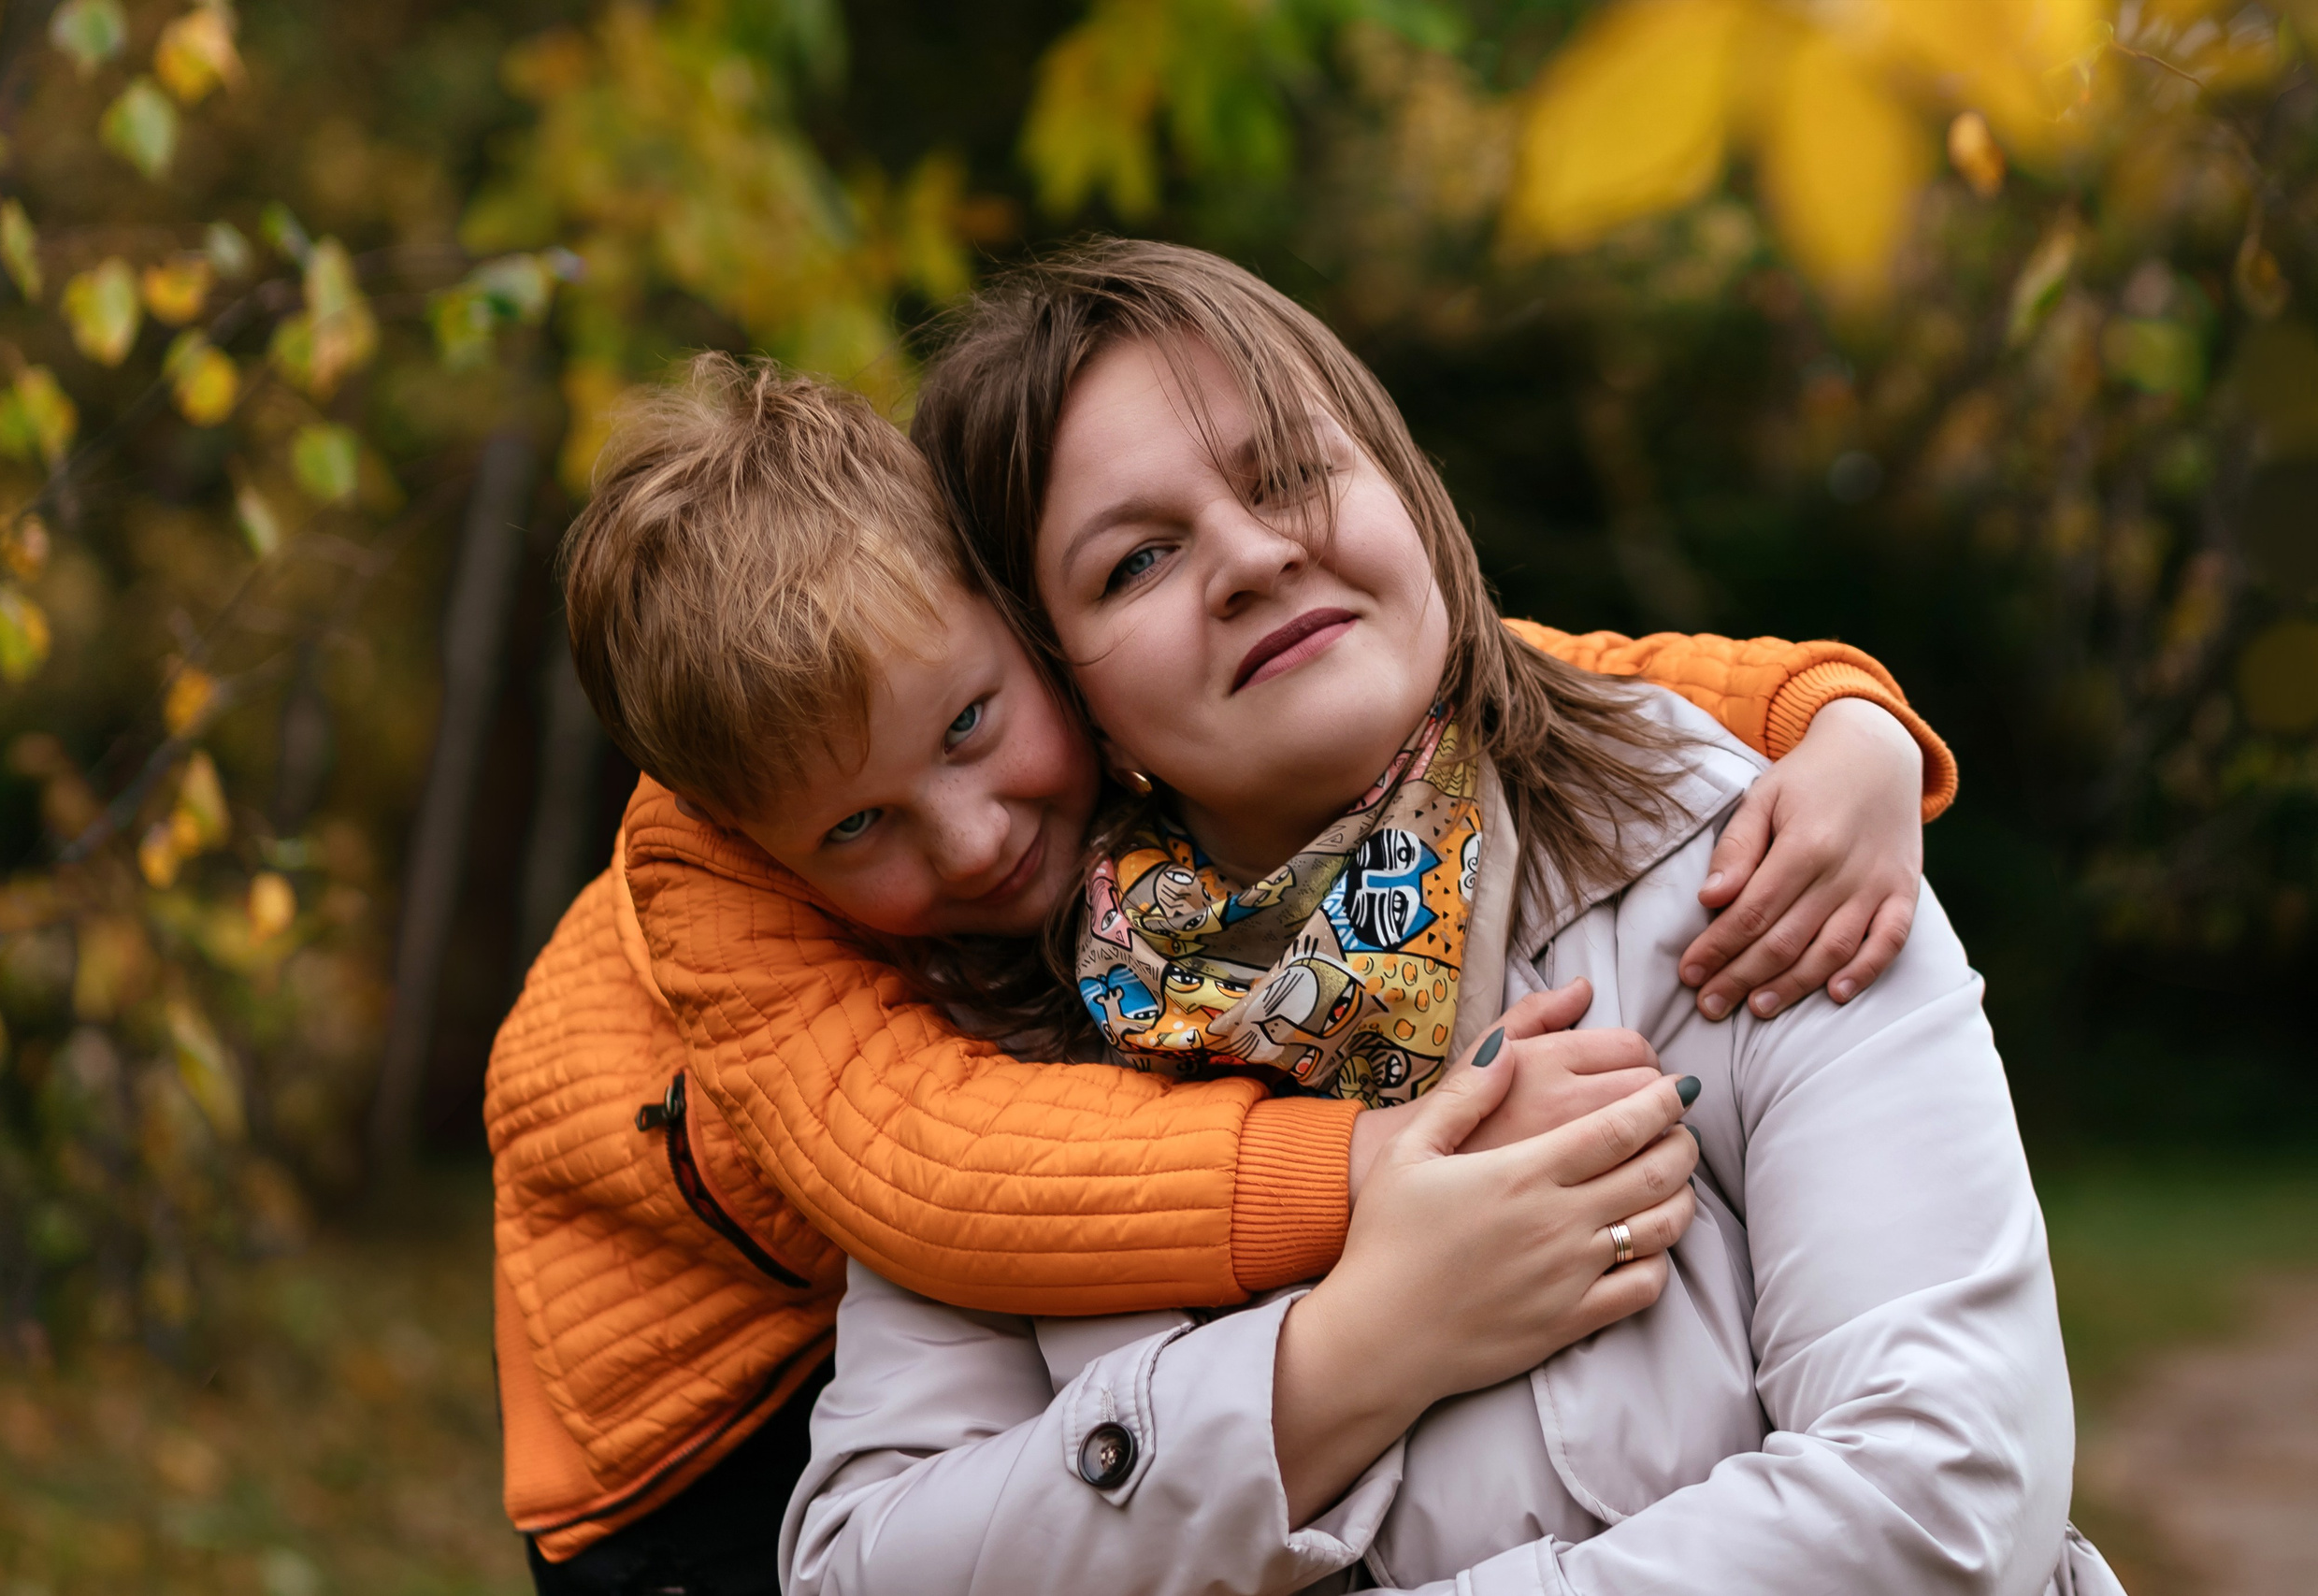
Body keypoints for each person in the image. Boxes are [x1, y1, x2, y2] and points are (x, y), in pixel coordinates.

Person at [782, 239, 2122, 1595]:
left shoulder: (1748, 860)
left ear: (1398, 484)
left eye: (1289, 472)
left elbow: (1946, 1502)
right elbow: (856, 1574)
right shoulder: (990, 1079)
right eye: (1134, 562)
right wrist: (1349, 1359)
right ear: (1056, 677)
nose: (1251, 557)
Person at [491, 354, 1954, 1586]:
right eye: (863, 827)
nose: (977, 838)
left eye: (972, 729)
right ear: (766, 844)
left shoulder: (1056, 710)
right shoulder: (747, 910)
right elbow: (944, 1175)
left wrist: (1833, 715)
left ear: (1036, 634)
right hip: (682, 1442)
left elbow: (1472, 656)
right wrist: (1378, 1190)